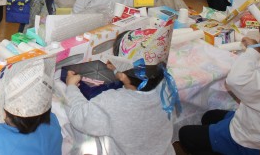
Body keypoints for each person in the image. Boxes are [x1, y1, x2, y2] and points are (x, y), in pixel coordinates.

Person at [179, 10, 260, 154]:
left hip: (248, 142)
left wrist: (252, 51)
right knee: (208, 116)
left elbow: (235, 80)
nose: (258, 42)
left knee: (185, 134)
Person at [65, 18, 178, 155]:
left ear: (123, 75)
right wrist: (117, 70)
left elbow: (79, 117)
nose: (111, 64)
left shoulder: (112, 102)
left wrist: (71, 87)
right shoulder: (167, 87)